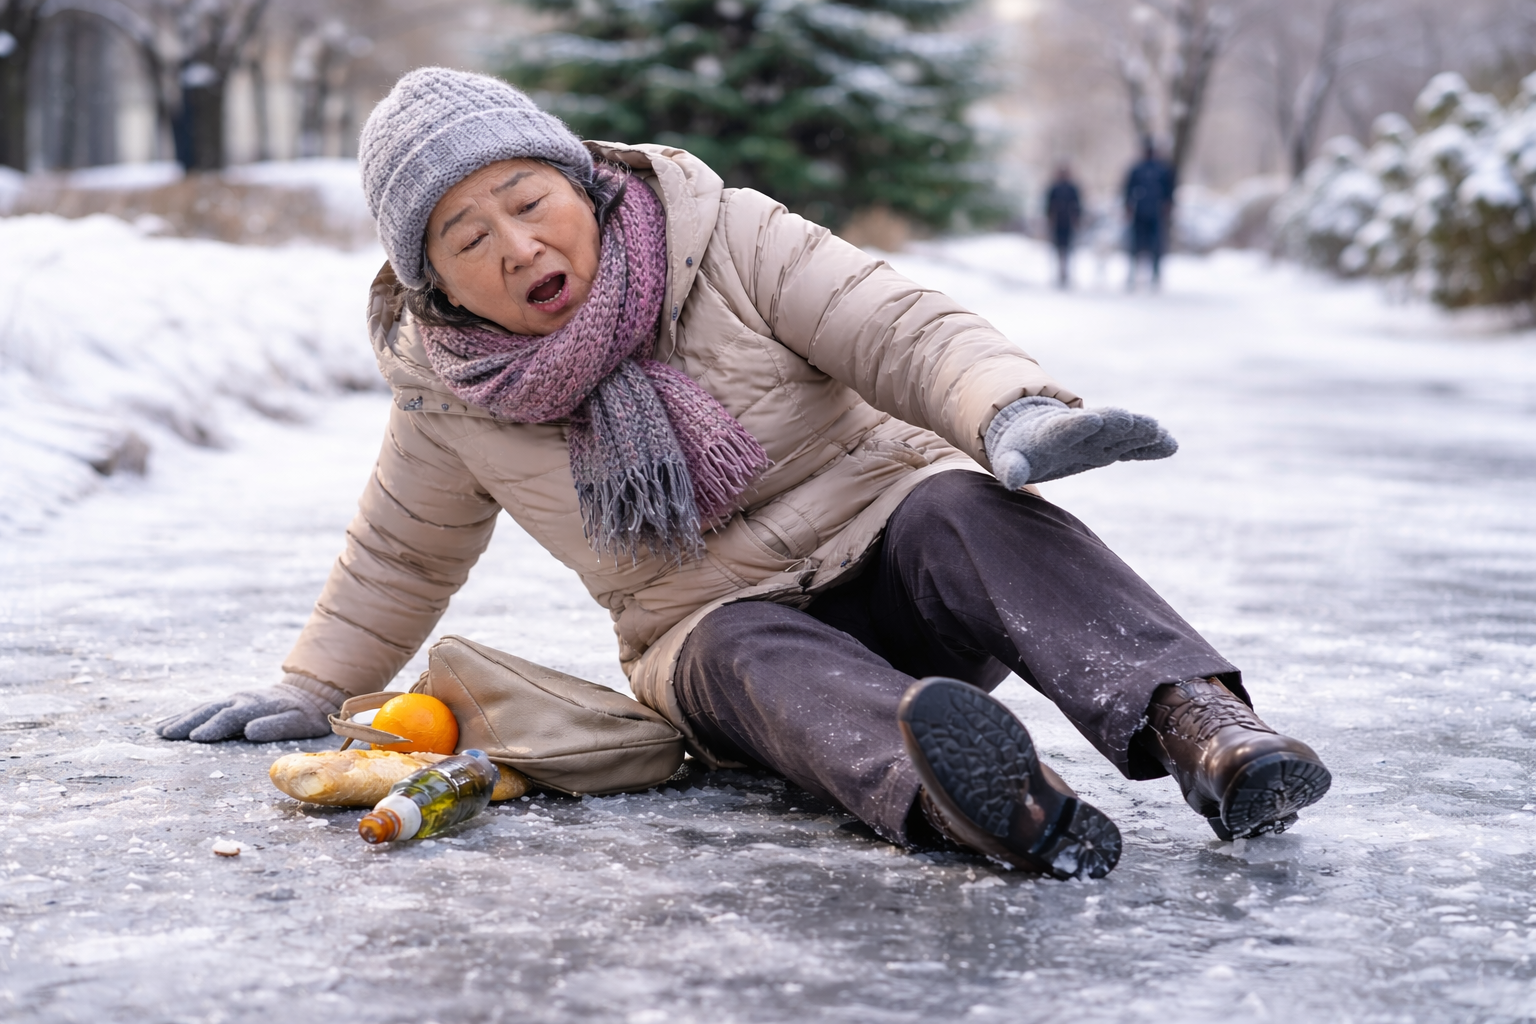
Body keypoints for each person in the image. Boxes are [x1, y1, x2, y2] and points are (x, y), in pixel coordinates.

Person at [156, 69, 1331, 879]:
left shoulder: (722, 235)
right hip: (719, 636)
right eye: (466, 238)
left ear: (585, 181)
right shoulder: (445, 390)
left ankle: (1205, 725)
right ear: (437, 287)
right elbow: (401, 551)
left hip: (889, 550)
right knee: (734, 647)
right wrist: (318, 686)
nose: (516, 246)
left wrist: (1008, 406)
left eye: (527, 201)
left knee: (963, 505)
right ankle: (996, 804)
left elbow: (895, 324)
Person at [1123, 138, 1175, 290]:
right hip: (1140, 212)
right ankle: (1133, 274)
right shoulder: (1137, 169)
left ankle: (1155, 275)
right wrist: (1128, 206)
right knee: (1135, 245)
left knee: (1156, 244)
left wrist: (1168, 205)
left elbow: (1169, 190)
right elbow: (1127, 189)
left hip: (1156, 213)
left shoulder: (1163, 169)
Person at [1043, 164, 1082, 289]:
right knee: (1058, 249)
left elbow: (1077, 206)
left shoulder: (1072, 188)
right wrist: (1050, 219)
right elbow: (1049, 206)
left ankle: (1065, 272)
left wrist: (1076, 220)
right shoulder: (1054, 188)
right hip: (1058, 223)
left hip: (1068, 223)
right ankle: (1060, 272)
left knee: (1067, 249)